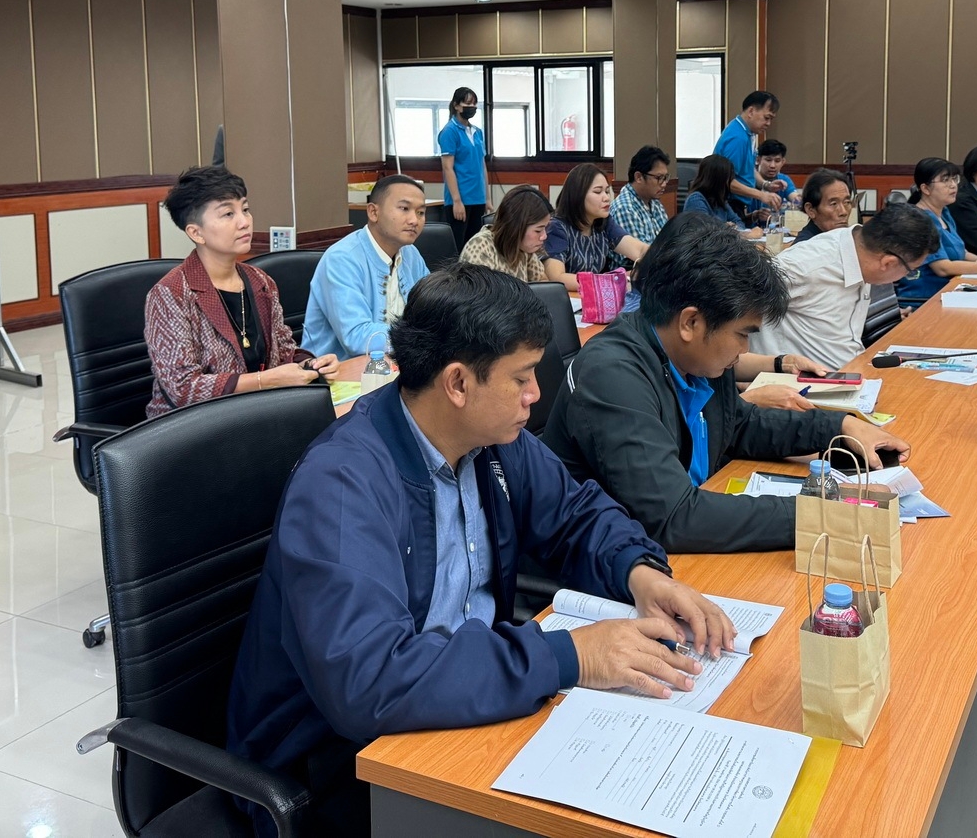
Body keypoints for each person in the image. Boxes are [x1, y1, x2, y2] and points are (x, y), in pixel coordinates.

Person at [228, 264, 733, 837]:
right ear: (459, 384)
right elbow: (367, 680)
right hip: (339, 763)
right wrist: (572, 657)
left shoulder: (493, 442)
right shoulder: (345, 484)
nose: (536, 395)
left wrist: (641, 573)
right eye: (521, 378)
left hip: (461, 705)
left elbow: (576, 514)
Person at [542, 213, 912, 553]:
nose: (746, 349)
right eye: (742, 334)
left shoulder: (698, 361)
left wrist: (839, 427)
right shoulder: (613, 375)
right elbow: (673, 519)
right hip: (611, 563)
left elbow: (740, 424)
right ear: (691, 322)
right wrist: (826, 513)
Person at [143, 166, 340, 418]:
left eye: (245, 209)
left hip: (257, 415)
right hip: (192, 430)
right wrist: (263, 381)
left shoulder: (260, 281)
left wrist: (309, 364)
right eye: (227, 213)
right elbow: (183, 390)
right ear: (196, 232)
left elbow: (283, 351)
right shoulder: (171, 295)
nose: (244, 221)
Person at [751, 204, 940, 369]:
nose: (908, 275)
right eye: (911, 270)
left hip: (853, 375)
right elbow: (731, 302)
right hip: (804, 390)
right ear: (888, 263)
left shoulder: (859, 248)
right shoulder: (807, 266)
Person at [302, 174, 431, 359]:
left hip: (397, 364)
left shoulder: (411, 254)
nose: (414, 220)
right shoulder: (342, 259)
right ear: (373, 212)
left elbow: (431, 310)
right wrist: (421, 336)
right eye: (404, 208)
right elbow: (357, 338)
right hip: (339, 376)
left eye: (421, 212)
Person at [896, 157, 977, 308]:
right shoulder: (919, 220)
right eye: (945, 180)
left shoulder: (944, 212)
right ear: (925, 188)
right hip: (924, 300)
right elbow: (942, 268)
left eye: (954, 179)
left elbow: (962, 251)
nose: (953, 185)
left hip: (950, 290)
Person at [543, 163, 648, 289]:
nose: (606, 198)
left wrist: (665, 258)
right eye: (598, 192)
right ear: (578, 195)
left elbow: (639, 250)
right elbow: (557, 278)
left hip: (594, 298)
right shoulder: (557, 228)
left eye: (607, 191)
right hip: (569, 301)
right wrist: (610, 280)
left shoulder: (604, 222)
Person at [459, 186, 553, 283]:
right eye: (538, 231)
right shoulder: (480, 247)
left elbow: (543, 284)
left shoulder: (523, 248)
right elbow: (480, 295)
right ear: (516, 227)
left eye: (545, 228)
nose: (544, 236)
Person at [713, 90, 785, 212]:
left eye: (771, 119)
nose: (768, 124)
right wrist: (761, 195)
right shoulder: (738, 138)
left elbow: (747, 168)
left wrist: (765, 185)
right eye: (766, 118)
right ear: (751, 111)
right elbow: (727, 181)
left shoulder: (747, 133)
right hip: (729, 204)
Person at [437, 87, 487, 251]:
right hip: (460, 200)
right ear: (456, 105)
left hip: (478, 198)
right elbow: (448, 168)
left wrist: (487, 198)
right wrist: (457, 201)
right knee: (459, 247)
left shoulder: (477, 132)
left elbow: (482, 165)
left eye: (474, 103)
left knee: (476, 248)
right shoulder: (449, 132)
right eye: (467, 103)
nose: (471, 107)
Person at [608, 144, 672, 248]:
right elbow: (640, 257)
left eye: (665, 178)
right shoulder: (624, 209)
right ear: (638, 177)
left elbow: (669, 241)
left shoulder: (655, 203)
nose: (664, 183)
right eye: (659, 178)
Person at [682, 153, 755, 234]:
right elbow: (704, 231)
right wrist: (727, 227)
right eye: (728, 179)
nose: (729, 183)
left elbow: (739, 222)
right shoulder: (696, 199)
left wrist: (732, 228)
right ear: (719, 180)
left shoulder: (720, 201)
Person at [793, 169, 853, 244]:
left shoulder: (847, 239)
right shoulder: (804, 248)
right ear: (810, 210)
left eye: (847, 202)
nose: (843, 212)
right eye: (834, 204)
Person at [746, 138, 799, 220]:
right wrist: (755, 215)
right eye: (768, 160)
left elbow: (794, 197)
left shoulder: (784, 180)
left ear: (783, 162)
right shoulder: (748, 180)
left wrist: (799, 200)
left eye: (777, 161)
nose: (772, 165)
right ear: (758, 160)